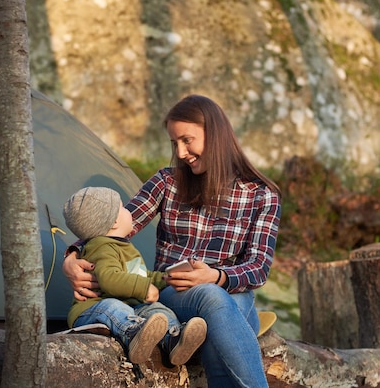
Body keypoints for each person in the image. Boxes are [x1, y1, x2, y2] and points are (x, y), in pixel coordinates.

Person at [63, 95, 281, 388]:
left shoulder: (262, 194)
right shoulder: (167, 182)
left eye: (187, 140)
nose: (180, 152)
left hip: (234, 291)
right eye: (174, 143)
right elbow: (118, 223)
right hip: (173, 293)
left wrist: (216, 275)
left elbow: (258, 268)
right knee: (216, 301)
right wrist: (73, 256)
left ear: (215, 133)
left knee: (220, 303)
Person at [62, 186, 207, 366]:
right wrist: (145, 288)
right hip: (92, 309)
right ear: (114, 221)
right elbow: (109, 279)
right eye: (123, 207)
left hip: (130, 308)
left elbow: (139, 275)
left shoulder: (124, 246)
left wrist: (165, 278)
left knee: (157, 310)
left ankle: (173, 339)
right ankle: (134, 335)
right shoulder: (102, 247)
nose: (128, 211)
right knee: (111, 305)